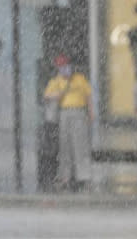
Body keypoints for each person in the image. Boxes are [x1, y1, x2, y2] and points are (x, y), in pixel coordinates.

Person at [43, 54, 93, 192]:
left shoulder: (79, 79)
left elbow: (88, 95)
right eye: (61, 67)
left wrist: (91, 112)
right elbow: (46, 95)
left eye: (66, 66)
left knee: (80, 145)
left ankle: (84, 177)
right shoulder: (57, 81)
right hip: (64, 113)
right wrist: (57, 94)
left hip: (79, 112)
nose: (64, 69)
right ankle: (65, 177)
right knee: (65, 146)